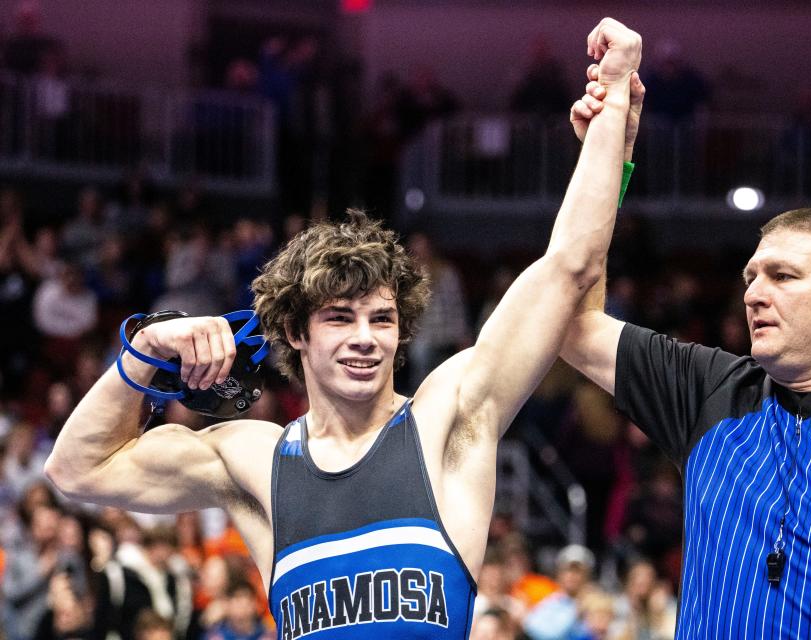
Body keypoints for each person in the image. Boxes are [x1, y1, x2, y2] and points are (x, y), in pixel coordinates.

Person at [44, 18, 645, 639]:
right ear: (296, 333)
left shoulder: (448, 420)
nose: (366, 337)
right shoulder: (256, 461)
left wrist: (614, 109)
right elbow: (77, 469)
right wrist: (145, 349)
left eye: (382, 318)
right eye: (339, 317)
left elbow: (568, 269)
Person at [566, 84, 811, 637]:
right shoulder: (708, 391)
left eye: (782, 276)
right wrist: (609, 155)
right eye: (751, 277)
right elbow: (570, 320)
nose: (752, 293)